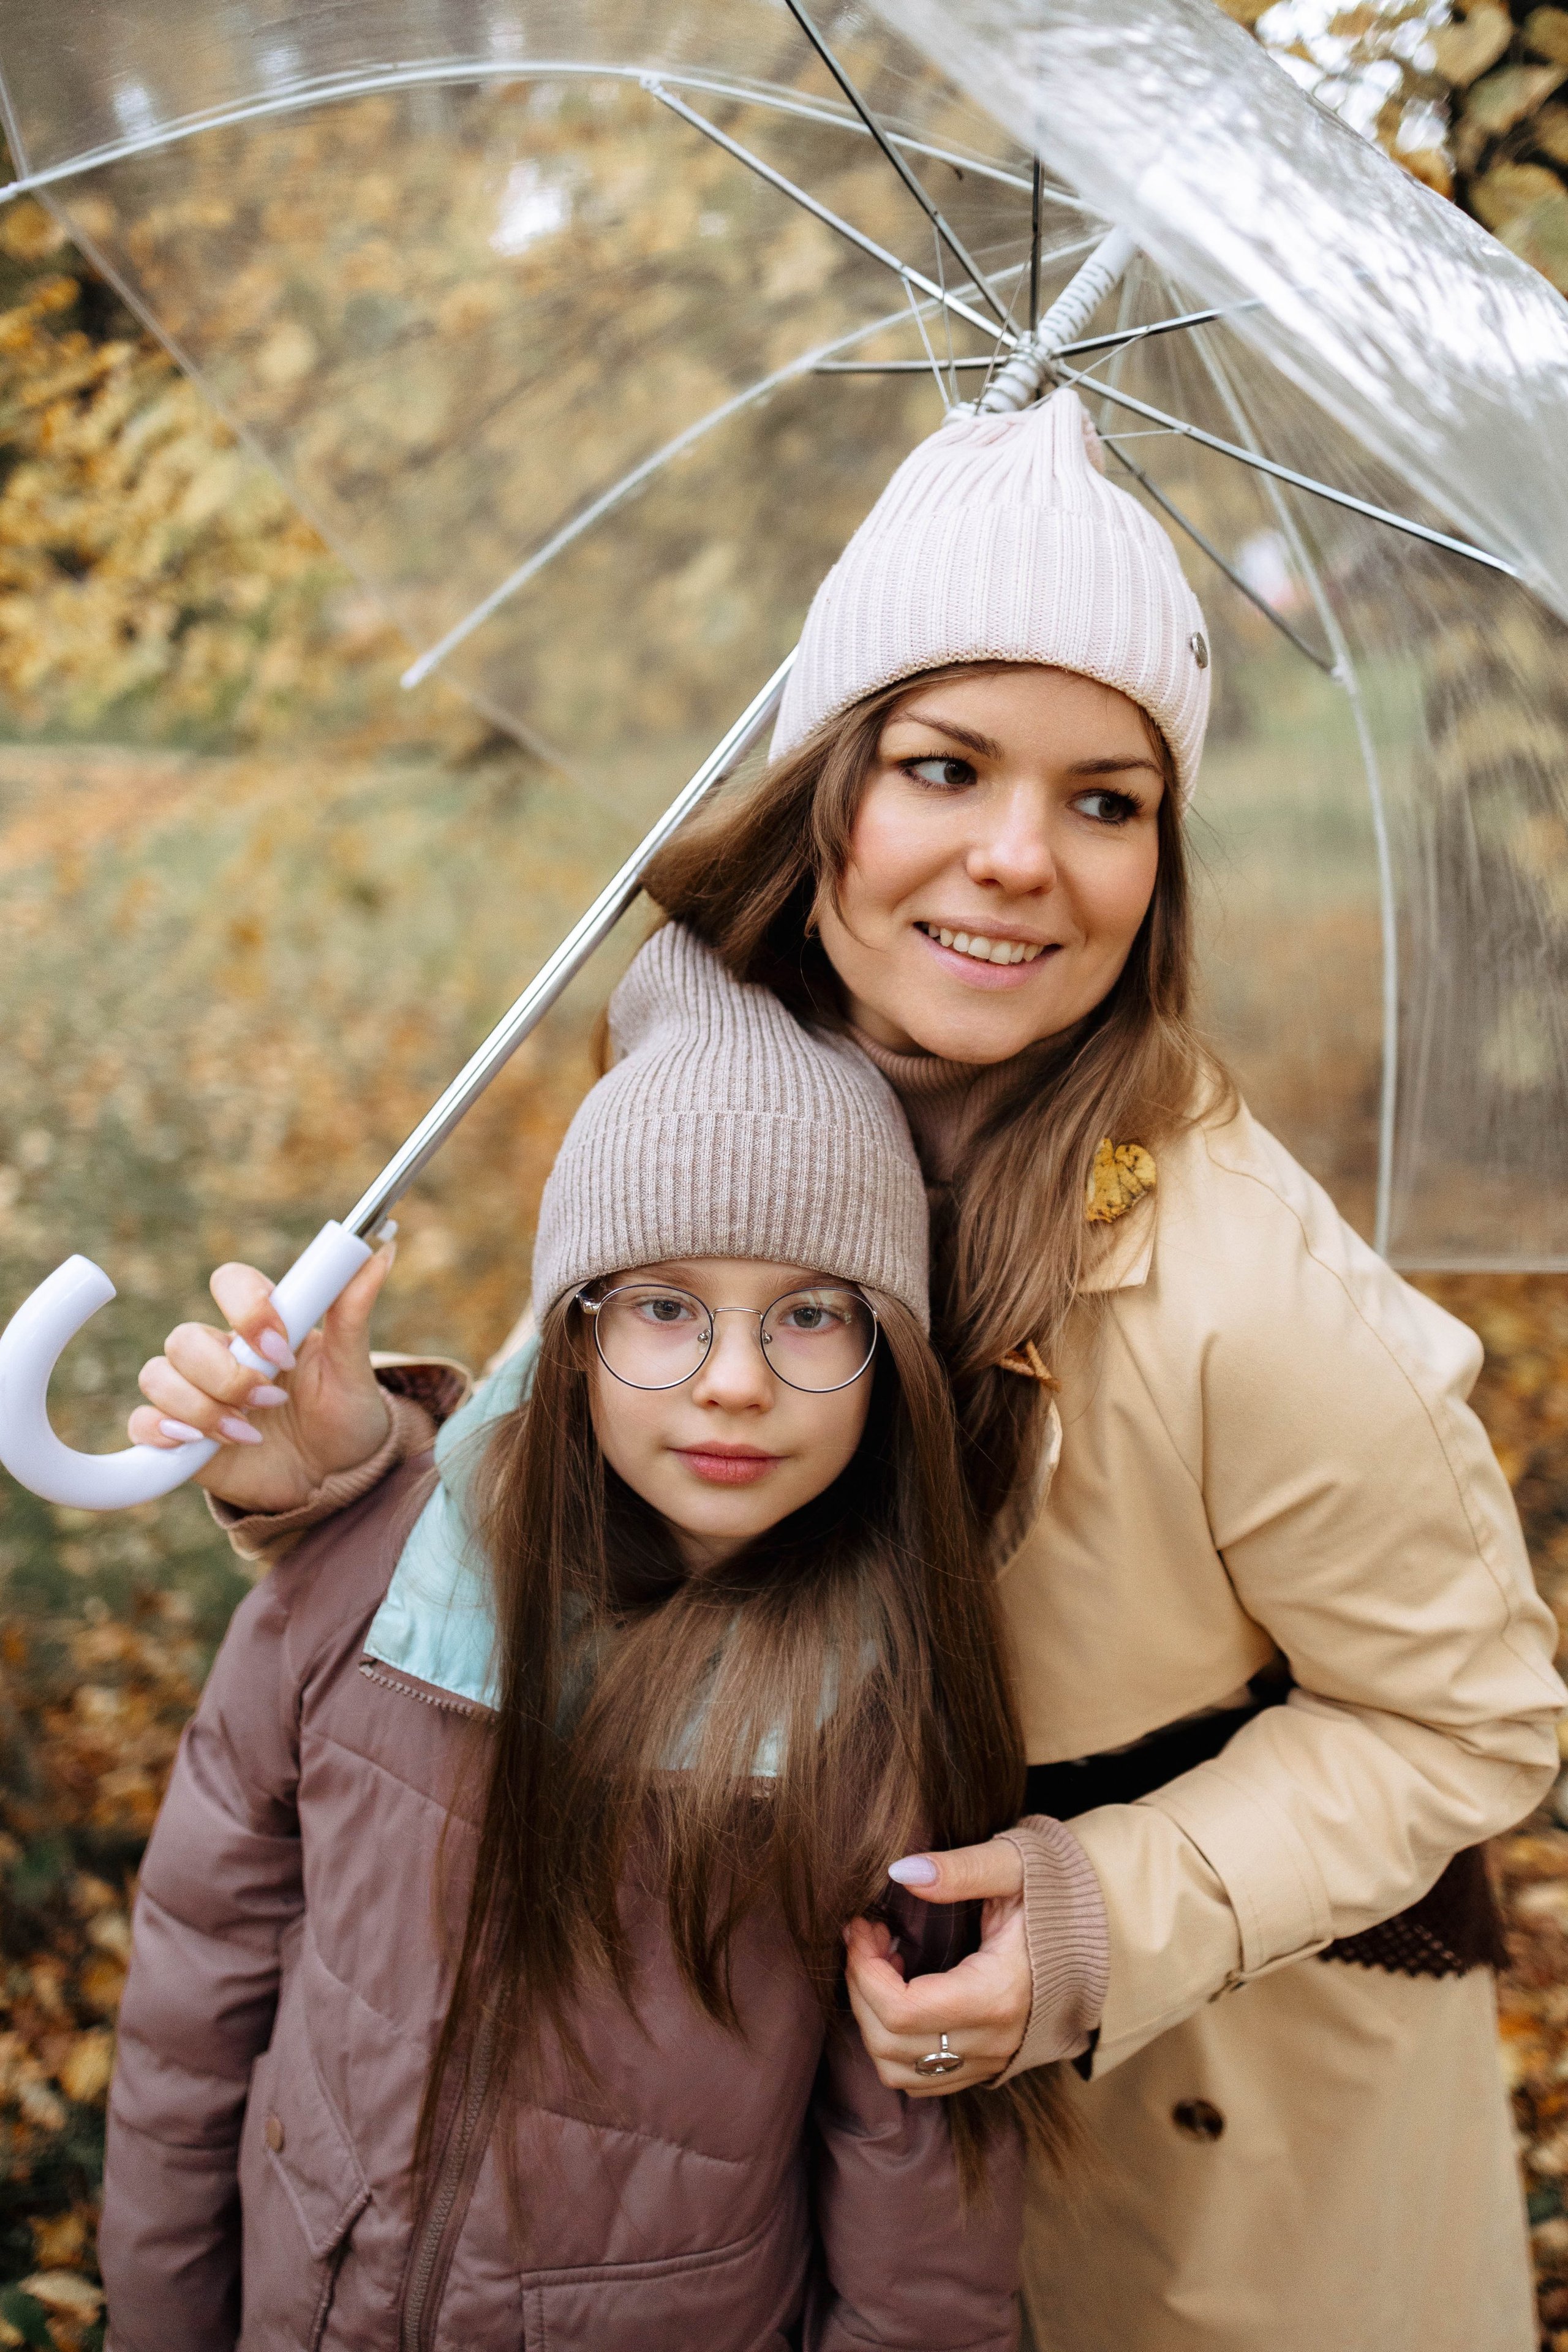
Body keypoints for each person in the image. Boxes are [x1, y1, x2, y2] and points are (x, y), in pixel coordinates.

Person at [126, 385, 1562, 2351]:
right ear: (827, 790)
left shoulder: (1254, 1296)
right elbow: (593, 1514)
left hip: (1188, 2149)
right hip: (750, 2129)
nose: (1018, 858)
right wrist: (350, 1477)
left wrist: (1102, 1913)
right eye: (945, 767)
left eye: (1106, 800)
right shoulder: (722, 1089)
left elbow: (1472, 1723)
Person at [100, 925, 1049, 2352]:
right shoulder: (370, 1593)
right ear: (573, 1338)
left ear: (887, 1363)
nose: (734, 1382)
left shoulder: (879, 1722)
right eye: (664, 1307)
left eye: (810, 1316)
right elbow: (196, 1998)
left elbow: (919, 2226)